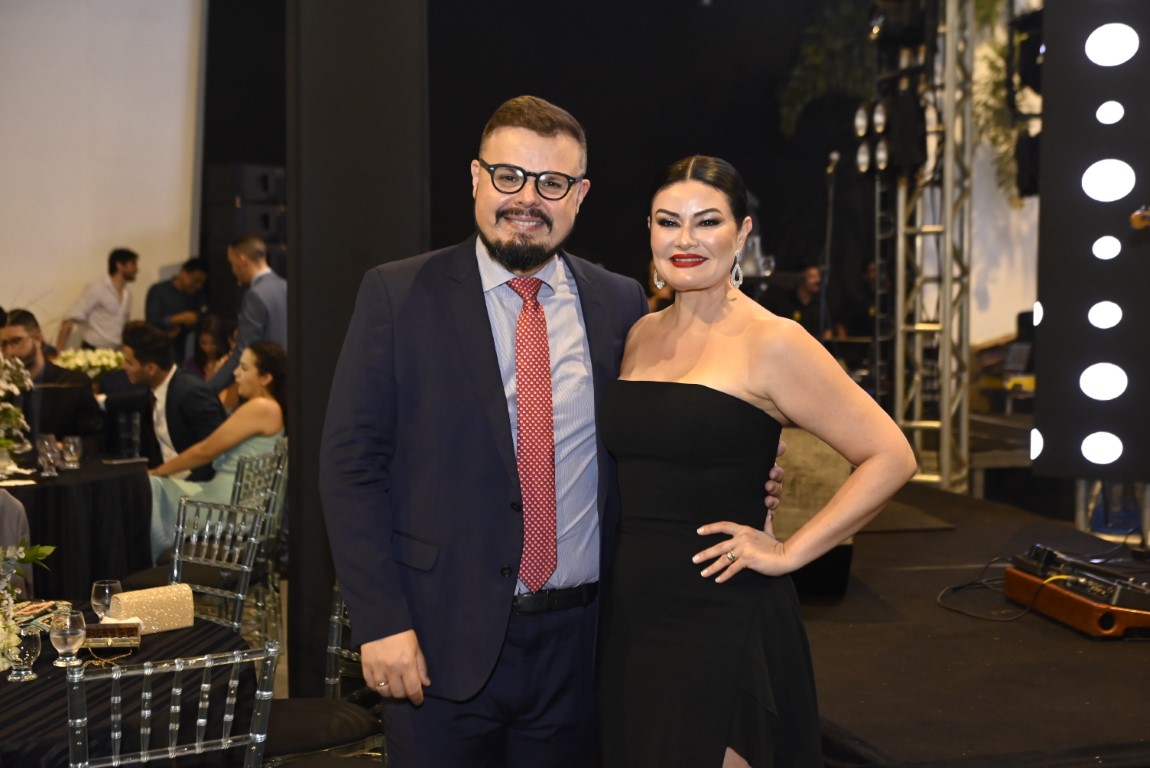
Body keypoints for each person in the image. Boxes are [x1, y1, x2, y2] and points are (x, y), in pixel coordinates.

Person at [319, 96, 785, 767]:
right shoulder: (398, 295)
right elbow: (350, 468)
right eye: (509, 176)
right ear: (476, 178)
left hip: (586, 648)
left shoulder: (620, 302)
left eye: (552, 183)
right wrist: (382, 621)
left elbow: (656, 434)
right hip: (439, 642)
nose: (527, 199)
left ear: (580, 195)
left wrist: (742, 476)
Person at [598, 156, 916, 767]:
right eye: (668, 221)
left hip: (724, 611)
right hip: (631, 611)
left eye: (707, 221)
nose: (686, 239)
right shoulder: (639, 334)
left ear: (742, 232)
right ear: (649, 231)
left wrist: (790, 551)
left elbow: (890, 455)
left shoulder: (774, 341)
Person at [148, 339, 285, 561]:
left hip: (230, 508)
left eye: (244, 368)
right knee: (154, 487)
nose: (235, 373)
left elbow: (206, 450)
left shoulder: (263, 407)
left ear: (265, 378)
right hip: (229, 499)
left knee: (151, 485)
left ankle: (151, 565)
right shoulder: (264, 407)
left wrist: (158, 471)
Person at [109, 320, 226, 487]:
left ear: (151, 368)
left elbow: (216, 451)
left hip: (195, 487)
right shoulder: (158, 388)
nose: (123, 366)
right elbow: (132, 400)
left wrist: (181, 490)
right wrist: (99, 401)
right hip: (168, 481)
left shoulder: (191, 392)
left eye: (129, 362)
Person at [1, 309, 104, 453]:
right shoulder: (4, 389)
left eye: (16, 341)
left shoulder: (71, 384)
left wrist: (63, 448)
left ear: (38, 339)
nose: (9, 352)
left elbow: (97, 440)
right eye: (3, 344)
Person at [206, 236, 287, 393]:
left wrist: (207, 389)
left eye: (232, 264)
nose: (232, 270)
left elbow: (244, 349)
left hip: (265, 387)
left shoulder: (255, 294)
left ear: (242, 260)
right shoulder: (285, 286)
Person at [57, 248, 139, 350]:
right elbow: (69, 317)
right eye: (133, 264)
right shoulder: (98, 287)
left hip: (116, 350)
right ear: (119, 265)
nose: (137, 270)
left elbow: (124, 326)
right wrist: (59, 351)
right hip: (93, 350)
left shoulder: (128, 294)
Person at [145, 257, 209, 362]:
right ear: (183, 273)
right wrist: (176, 320)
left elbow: (204, 316)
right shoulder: (159, 290)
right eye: (195, 280)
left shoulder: (198, 295)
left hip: (180, 352)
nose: (198, 286)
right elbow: (152, 320)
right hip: (156, 350)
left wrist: (191, 322)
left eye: (201, 283)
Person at [186, 314, 240, 411]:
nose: (208, 348)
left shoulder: (229, 364)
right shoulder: (192, 365)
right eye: (203, 343)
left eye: (213, 343)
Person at [769, 263, 826, 339]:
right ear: (800, 278)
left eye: (818, 277)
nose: (818, 280)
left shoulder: (820, 304)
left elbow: (827, 331)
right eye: (812, 277)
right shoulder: (786, 302)